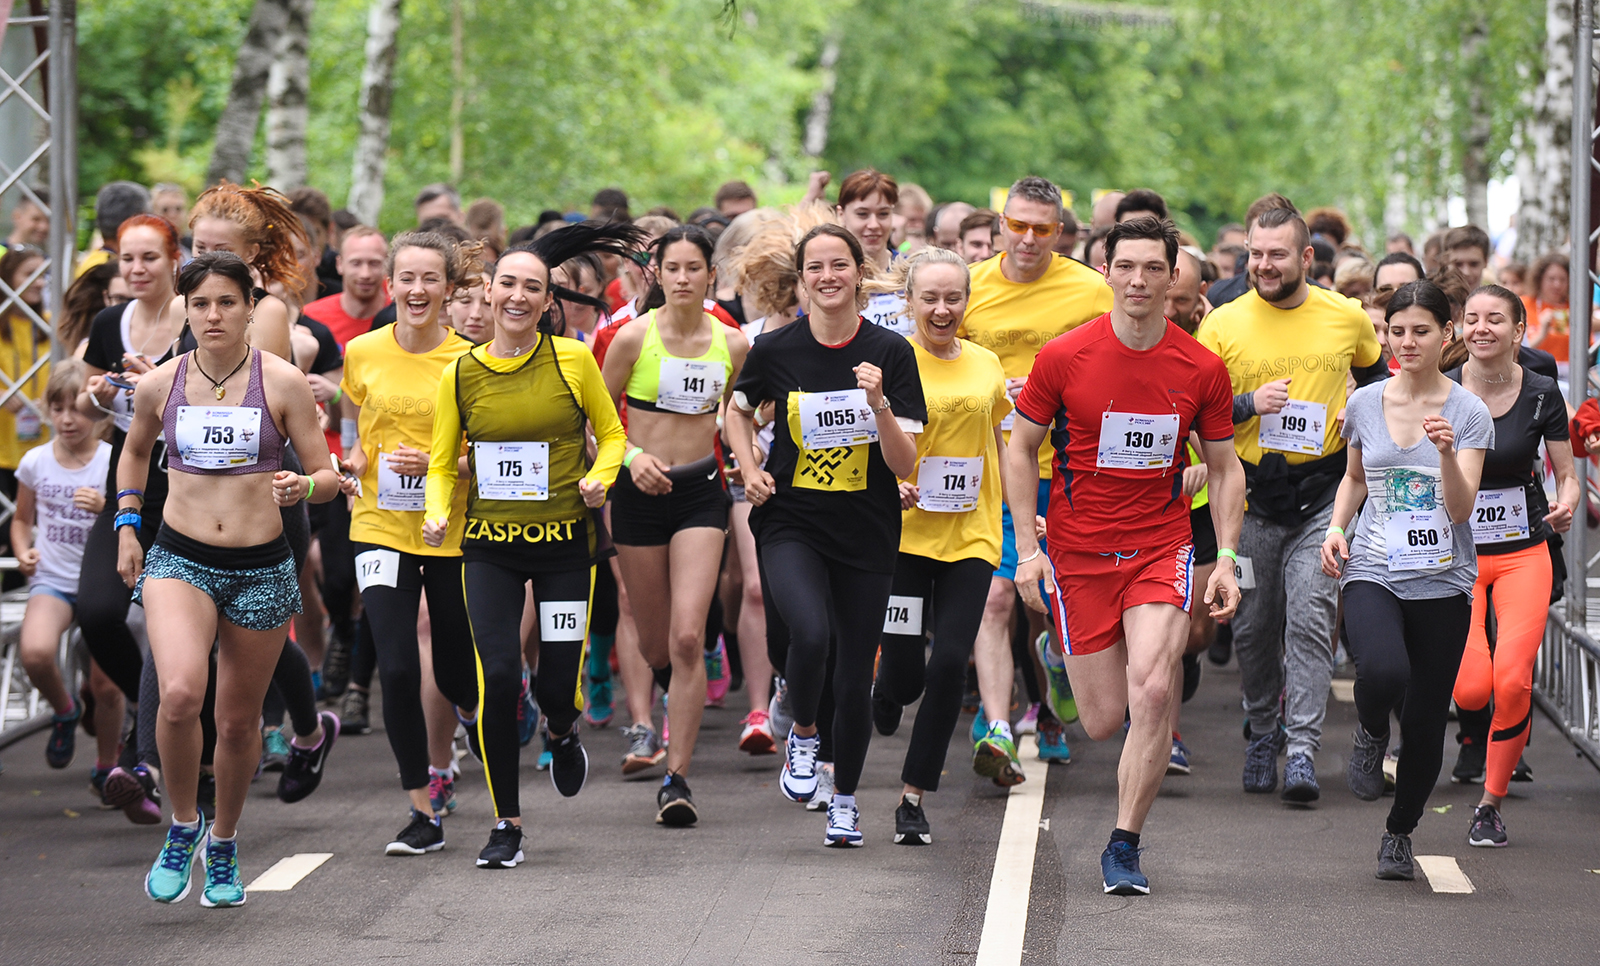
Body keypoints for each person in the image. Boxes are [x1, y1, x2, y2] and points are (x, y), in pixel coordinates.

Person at [1009, 216, 1243, 895]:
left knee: (1153, 687)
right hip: (1079, 552)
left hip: (1159, 545)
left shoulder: (1200, 366)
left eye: (1152, 267)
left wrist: (1225, 557)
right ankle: (1060, 653)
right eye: (1125, 266)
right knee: (1102, 719)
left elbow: (1226, 469)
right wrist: (1028, 549)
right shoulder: (1064, 357)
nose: (1138, 279)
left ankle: (1125, 842)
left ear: (1173, 277)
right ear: (1105, 271)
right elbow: (1020, 448)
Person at [120, 251, 340, 907]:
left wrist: (303, 484)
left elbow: (326, 475)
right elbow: (134, 453)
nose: (213, 315)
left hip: (260, 566)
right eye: (200, 305)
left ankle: (223, 841)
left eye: (226, 302)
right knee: (181, 693)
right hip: (180, 557)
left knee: (239, 724)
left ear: (251, 307)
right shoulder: (162, 384)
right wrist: (127, 528)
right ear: (186, 312)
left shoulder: (282, 382)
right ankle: (181, 826)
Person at [422, 222, 642, 868]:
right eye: (508, 284)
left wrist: (601, 479)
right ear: (489, 294)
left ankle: (564, 726)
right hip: (489, 546)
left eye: (533, 289)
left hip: (566, 546)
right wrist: (438, 512)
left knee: (553, 684)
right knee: (496, 678)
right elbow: (441, 463)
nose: (518, 297)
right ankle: (507, 823)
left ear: (548, 301)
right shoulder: (459, 373)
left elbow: (615, 435)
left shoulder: (573, 361)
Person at [726, 223, 927, 847]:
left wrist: (881, 406)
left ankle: (844, 802)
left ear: (857, 275)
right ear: (802, 277)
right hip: (792, 521)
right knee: (809, 633)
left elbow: (905, 464)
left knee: (854, 676)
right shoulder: (777, 349)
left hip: (866, 526)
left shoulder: (891, 353)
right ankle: (805, 737)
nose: (828, 277)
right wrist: (750, 467)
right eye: (816, 267)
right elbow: (736, 411)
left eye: (839, 265)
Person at [1198, 200, 1384, 802]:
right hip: (1249, 498)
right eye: (1255, 253)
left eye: (1277, 254)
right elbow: (1193, 415)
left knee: (1309, 619)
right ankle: (1261, 729)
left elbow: (1382, 385)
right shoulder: (1222, 324)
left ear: (1306, 256)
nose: (1264, 264)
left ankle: (1301, 749)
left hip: (1322, 497)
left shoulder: (1347, 317)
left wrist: (1356, 413)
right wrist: (1250, 403)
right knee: (1251, 628)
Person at [1320, 279, 1492, 881]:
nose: (1407, 342)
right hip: (1374, 565)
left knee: (1423, 721)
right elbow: (1355, 480)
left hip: (1444, 580)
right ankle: (1368, 733)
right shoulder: (1366, 402)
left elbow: (1462, 509)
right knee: (1384, 669)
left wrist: (1446, 452)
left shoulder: (1467, 411)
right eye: (1397, 331)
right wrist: (1336, 527)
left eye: (1421, 331)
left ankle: (1400, 833)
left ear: (1447, 334)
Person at [957, 176, 1112, 772]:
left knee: (1046, 604)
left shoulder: (1091, 290)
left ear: (1061, 232)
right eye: (1017, 225)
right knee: (996, 598)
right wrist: (995, 389)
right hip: (992, 468)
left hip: (1070, 471)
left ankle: (1051, 668)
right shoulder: (970, 288)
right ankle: (997, 728)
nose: (1027, 238)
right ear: (1000, 223)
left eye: (1042, 229)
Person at [339, 231, 482, 856]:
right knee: (396, 666)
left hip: (450, 528)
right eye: (407, 279)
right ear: (390, 285)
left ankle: (482, 707)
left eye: (431, 280)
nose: (417, 290)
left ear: (450, 291)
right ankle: (421, 809)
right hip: (378, 525)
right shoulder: (362, 351)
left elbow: (485, 450)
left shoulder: (470, 361)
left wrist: (439, 464)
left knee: (453, 666)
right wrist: (350, 462)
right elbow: (352, 426)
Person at [600, 224, 749, 825]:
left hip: (700, 494)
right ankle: (670, 686)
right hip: (637, 494)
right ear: (654, 274)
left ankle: (678, 777)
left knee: (689, 637)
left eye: (695, 268)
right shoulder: (632, 339)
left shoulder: (733, 345)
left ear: (711, 275)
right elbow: (596, 423)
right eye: (673, 268)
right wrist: (632, 459)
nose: (683, 278)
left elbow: (739, 413)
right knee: (656, 641)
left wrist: (749, 455)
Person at [864, 247, 1009, 843]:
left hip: (971, 535)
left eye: (954, 298)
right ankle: (888, 685)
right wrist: (889, 487)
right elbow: (871, 444)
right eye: (931, 298)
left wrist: (1021, 518)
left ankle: (912, 796)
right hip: (905, 537)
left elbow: (1001, 443)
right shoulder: (892, 361)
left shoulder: (986, 364)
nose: (943, 309)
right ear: (910, 301)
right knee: (905, 676)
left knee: (950, 661)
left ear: (967, 302)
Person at [1445, 285, 1578, 848]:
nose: (1482, 328)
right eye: (1472, 318)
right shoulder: (1443, 391)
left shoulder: (1544, 393)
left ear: (1519, 332)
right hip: (1457, 555)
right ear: (1458, 331)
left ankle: (1489, 804)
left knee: (1513, 680)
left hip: (1525, 551)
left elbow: (1566, 472)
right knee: (1473, 690)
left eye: (1495, 319)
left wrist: (1566, 500)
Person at [79, 214, 192, 826]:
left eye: (149, 257)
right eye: (127, 259)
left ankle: (148, 751)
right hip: (127, 475)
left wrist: (158, 387)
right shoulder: (107, 322)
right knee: (96, 610)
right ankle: (145, 726)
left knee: (172, 626)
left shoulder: (198, 317)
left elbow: (216, 400)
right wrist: (99, 393)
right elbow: (82, 393)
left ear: (175, 259)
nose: (137, 269)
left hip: (185, 481)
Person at [13, 361, 116, 782]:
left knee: (107, 685)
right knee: (35, 652)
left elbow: (138, 516)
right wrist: (23, 552)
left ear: (98, 413)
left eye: (76, 409)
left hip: (101, 581)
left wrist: (106, 507)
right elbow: (21, 520)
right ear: (48, 411)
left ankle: (108, 768)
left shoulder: (112, 460)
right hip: (53, 580)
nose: (68, 419)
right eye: (58, 409)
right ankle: (65, 709)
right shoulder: (35, 461)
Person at [187, 182, 305, 361]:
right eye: (201, 248)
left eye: (223, 251)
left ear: (251, 252)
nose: (208, 259)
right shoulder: (180, 306)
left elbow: (260, 385)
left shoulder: (268, 312)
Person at [834, 169, 910, 336]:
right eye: (862, 214)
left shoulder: (913, 271)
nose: (874, 224)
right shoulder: (830, 277)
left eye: (883, 214)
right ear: (841, 214)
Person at [1522, 254, 1571, 362]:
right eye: (1551, 279)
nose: (1557, 285)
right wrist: (1542, 333)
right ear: (1539, 279)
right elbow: (1518, 352)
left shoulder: (1575, 309)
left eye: (1563, 279)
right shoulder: (1524, 305)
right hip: (1535, 371)